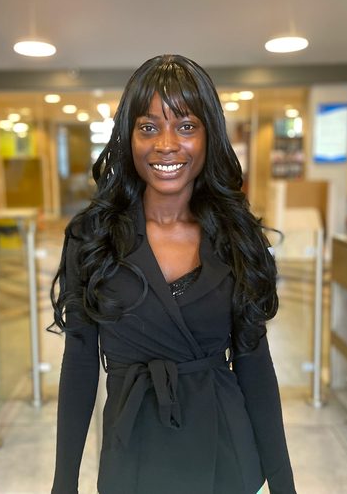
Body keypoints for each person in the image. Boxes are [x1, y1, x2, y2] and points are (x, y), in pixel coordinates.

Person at [49, 54, 296, 494]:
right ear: (129, 137)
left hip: (226, 454)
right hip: (133, 453)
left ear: (208, 136)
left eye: (185, 126)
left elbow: (255, 365)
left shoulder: (236, 236)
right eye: (148, 127)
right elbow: (81, 365)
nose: (167, 143)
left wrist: (283, 484)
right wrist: (63, 483)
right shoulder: (92, 236)